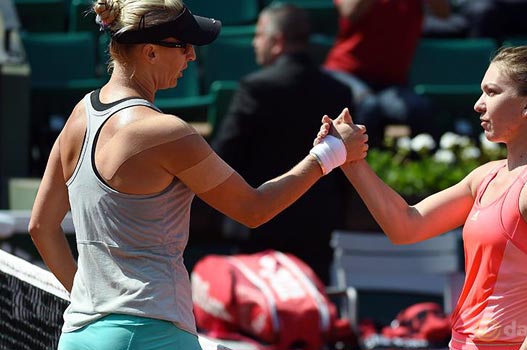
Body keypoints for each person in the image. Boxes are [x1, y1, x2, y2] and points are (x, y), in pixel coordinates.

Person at [26, 0, 368, 348]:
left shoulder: (77, 117)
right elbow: (254, 209)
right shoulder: (166, 133)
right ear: (150, 52)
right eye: (182, 45)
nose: (191, 55)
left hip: (79, 336)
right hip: (150, 335)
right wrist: (331, 153)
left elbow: (40, 226)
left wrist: (91, 304)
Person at [318, 45, 527, 349]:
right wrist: (351, 162)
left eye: (491, 92)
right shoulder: (484, 176)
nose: (478, 104)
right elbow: (405, 225)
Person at [209, 3, 353, 284]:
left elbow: (225, 155)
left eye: (259, 35)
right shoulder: (338, 90)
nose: (254, 42)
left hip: (258, 230)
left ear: (277, 42)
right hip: (317, 231)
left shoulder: (255, 88)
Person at [323, 0, 452, 147]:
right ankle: (357, 165)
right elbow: (350, 12)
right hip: (345, 73)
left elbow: (444, 13)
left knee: (419, 110)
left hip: (390, 82)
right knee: (368, 107)